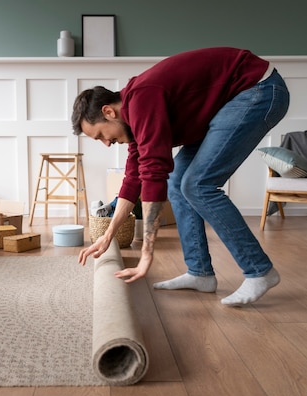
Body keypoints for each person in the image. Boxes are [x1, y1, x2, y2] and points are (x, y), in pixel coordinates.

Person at [74, 47, 290, 306]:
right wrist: (107, 236)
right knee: (178, 183)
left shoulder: (142, 98)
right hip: (235, 98)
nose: (106, 144)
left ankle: (259, 271)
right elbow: (133, 179)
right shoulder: (134, 117)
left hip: (258, 89)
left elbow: (154, 172)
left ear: (109, 112)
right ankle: (200, 273)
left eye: (100, 135)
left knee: (198, 184)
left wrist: (146, 254)